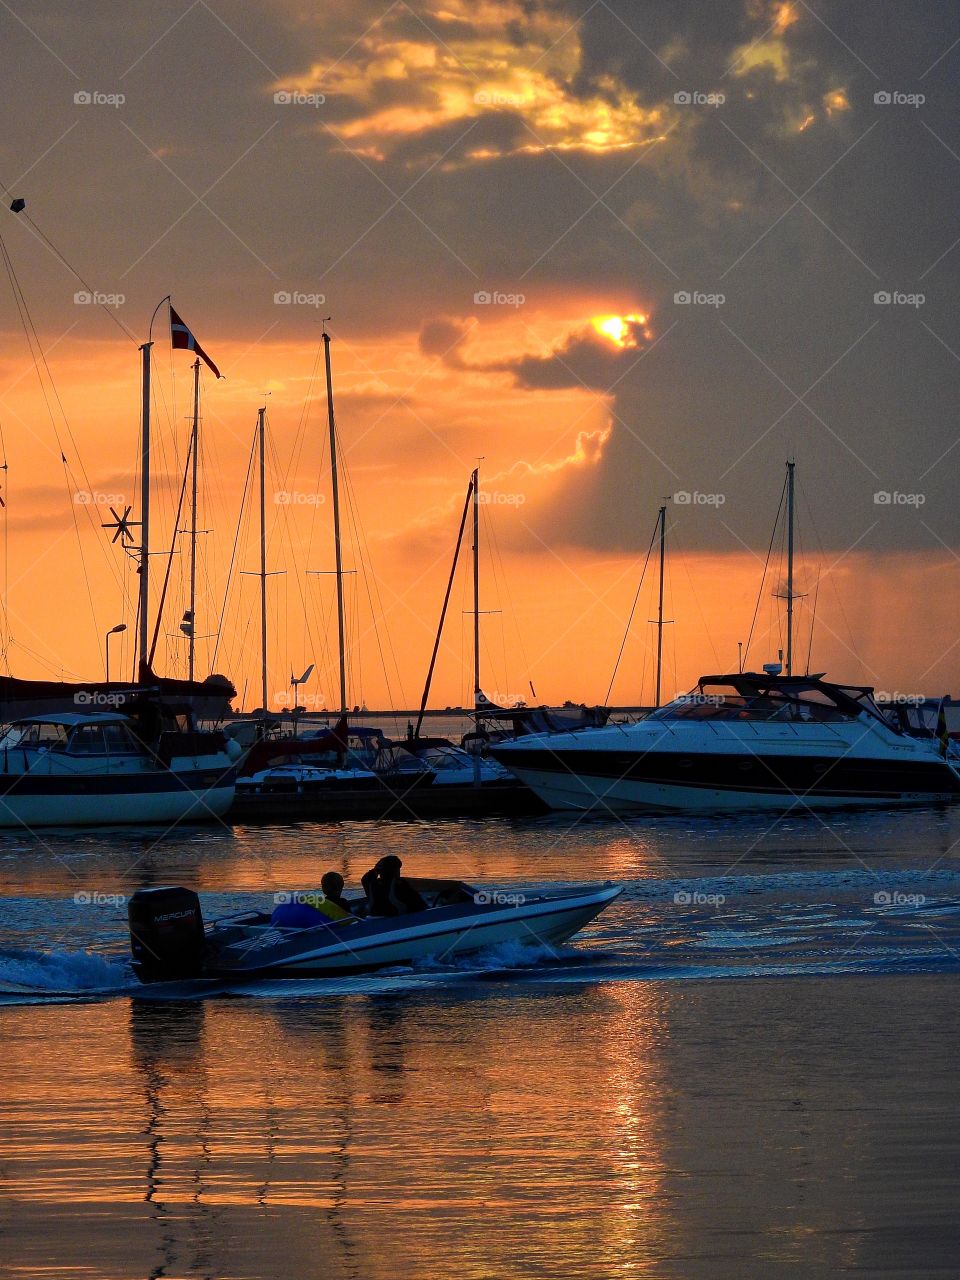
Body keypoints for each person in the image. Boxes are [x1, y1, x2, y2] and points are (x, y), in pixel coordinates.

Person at [361, 855, 427, 917]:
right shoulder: (399, 885)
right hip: (399, 922)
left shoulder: (372, 884)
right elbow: (421, 905)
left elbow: (365, 879)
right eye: (398, 869)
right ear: (396, 871)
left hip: (376, 921)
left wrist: (375, 869)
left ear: (379, 871)